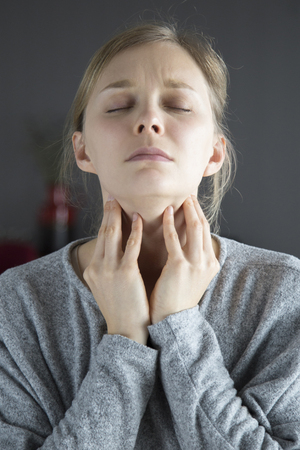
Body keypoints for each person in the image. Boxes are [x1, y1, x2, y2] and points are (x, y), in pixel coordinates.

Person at [1, 20, 300, 450]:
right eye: (119, 105)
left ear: (215, 152)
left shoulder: (285, 293)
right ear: (83, 150)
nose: (148, 120)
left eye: (178, 105)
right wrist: (123, 339)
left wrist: (179, 324)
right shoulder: (15, 305)